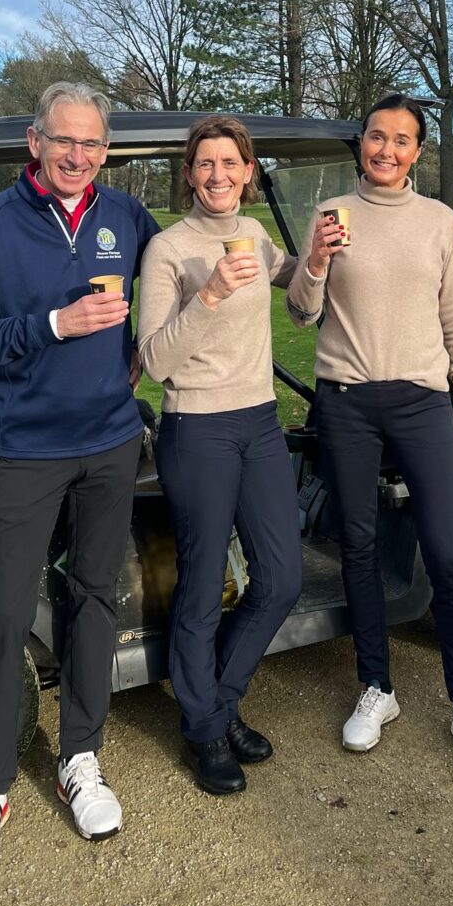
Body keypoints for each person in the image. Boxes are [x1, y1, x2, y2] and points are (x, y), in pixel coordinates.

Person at [0, 81, 159, 875]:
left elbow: (174, 278)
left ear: (106, 151)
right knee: (4, 611)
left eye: (91, 143)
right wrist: (54, 325)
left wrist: (148, 348)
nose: (77, 155)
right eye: (63, 139)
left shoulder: (126, 215)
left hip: (110, 441)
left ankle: (79, 757)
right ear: (35, 142)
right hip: (27, 446)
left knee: (95, 596)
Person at [287, 95, 453, 778]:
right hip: (347, 401)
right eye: (376, 136)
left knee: (445, 549)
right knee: (358, 544)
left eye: (401, 139)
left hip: (420, 400)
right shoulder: (330, 214)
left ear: (417, 151)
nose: (386, 149)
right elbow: (301, 313)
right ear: (361, 143)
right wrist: (315, 261)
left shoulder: (437, 220)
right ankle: (377, 686)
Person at [136, 116, 303, 795]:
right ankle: (204, 729)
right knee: (203, 585)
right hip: (197, 426)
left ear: (248, 170)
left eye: (230, 162)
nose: (218, 174)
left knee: (282, 577)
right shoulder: (168, 249)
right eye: (205, 163)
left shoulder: (256, 235)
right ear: (188, 174)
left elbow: (302, 296)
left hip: (259, 422)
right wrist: (208, 295)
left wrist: (320, 259)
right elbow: (153, 359)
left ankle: (219, 701)